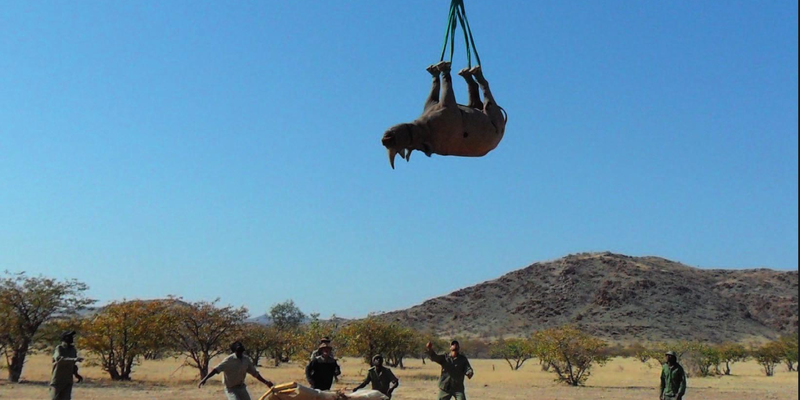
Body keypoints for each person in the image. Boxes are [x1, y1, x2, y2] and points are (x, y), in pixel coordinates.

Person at [199, 341, 274, 400]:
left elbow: (255, 373)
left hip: (242, 388)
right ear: (234, 351)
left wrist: (266, 382)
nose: (240, 352)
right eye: (238, 350)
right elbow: (215, 370)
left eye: (241, 350)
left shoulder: (246, 360)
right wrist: (205, 379)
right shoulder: (228, 360)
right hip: (231, 389)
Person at [50, 330, 84, 400]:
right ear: (64, 338)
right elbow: (59, 359)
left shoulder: (73, 350)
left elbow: (73, 365)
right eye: (69, 336)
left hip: (68, 381)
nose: (72, 338)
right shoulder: (59, 348)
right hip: (57, 380)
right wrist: (73, 359)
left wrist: (76, 374)